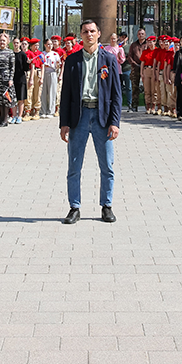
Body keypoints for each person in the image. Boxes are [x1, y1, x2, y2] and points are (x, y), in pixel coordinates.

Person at [59, 19, 122, 224]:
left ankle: (107, 206)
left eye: (92, 31)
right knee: (74, 165)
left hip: (101, 117)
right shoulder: (73, 60)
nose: (89, 34)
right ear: (81, 35)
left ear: (99, 33)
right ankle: (74, 207)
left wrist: (115, 122)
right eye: (85, 31)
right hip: (79, 116)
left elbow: (116, 94)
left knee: (107, 165)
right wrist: (64, 123)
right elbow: (66, 94)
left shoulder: (109, 59)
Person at [0, 33, 16, 126]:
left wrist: (11, 79)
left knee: (5, 99)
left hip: (6, 77)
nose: (2, 42)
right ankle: (0, 120)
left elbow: (12, 67)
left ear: (7, 42)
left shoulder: (10, 53)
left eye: (4, 41)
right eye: (0, 40)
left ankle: (5, 120)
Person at [40, 38, 61, 118]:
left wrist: (58, 65)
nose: (50, 46)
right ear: (45, 45)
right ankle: (43, 111)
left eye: (51, 44)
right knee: (44, 92)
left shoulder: (55, 54)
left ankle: (51, 111)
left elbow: (58, 66)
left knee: (52, 92)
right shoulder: (42, 54)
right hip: (44, 73)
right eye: (48, 44)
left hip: (52, 73)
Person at [127, 28, 146, 112]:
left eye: (142, 34)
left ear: (145, 35)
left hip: (146, 68)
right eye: (139, 34)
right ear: (137, 35)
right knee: (135, 87)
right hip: (135, 68)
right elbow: (129, 56)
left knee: (147, 88)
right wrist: (134, 64)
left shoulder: (148, 44)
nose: (140, 35)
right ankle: (134, 105)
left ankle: (148, 106)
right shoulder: (133, 45)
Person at [12, 37, 28, 124]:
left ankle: (19, 116)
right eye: (14, 43)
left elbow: (26, 68)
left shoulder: (23, 54)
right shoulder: (11, 53)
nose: (16, 44)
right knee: (13, 98)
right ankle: (14, 115)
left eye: (17, 43)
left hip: (21, 78)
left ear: (20, 44)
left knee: (21, 99)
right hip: (12, 78)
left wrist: (28, 63)